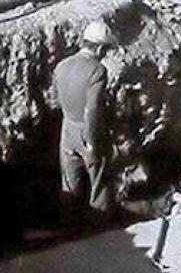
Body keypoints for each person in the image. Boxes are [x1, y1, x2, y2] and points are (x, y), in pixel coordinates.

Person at [53, 20, 116, 221]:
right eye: (105, 49)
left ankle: (69, 228)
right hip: (87, 131)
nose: (105, 53)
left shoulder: (61, 66)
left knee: (70, 184)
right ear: (99, 47)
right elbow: (93, 109)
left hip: (67, 128)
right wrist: (91, 142)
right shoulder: (97, 71)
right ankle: (100, 229)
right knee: (100, 182)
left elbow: (55, 99)